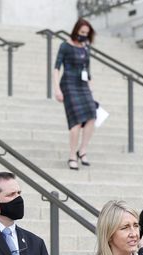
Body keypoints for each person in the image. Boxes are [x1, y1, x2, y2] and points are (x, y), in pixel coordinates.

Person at [54, 18, 97, 171]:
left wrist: (90, 87)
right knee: (76, 122)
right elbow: (57, 67)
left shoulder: (86, 48)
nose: (84, 35)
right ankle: (72, 155)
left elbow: (88, 69)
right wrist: (57, 88)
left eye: (86, 33)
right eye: (82, 32)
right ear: (76, 31)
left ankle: (82, 150)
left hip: (83, 85)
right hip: (69, 84)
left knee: (92, 115)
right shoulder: (65, 46)